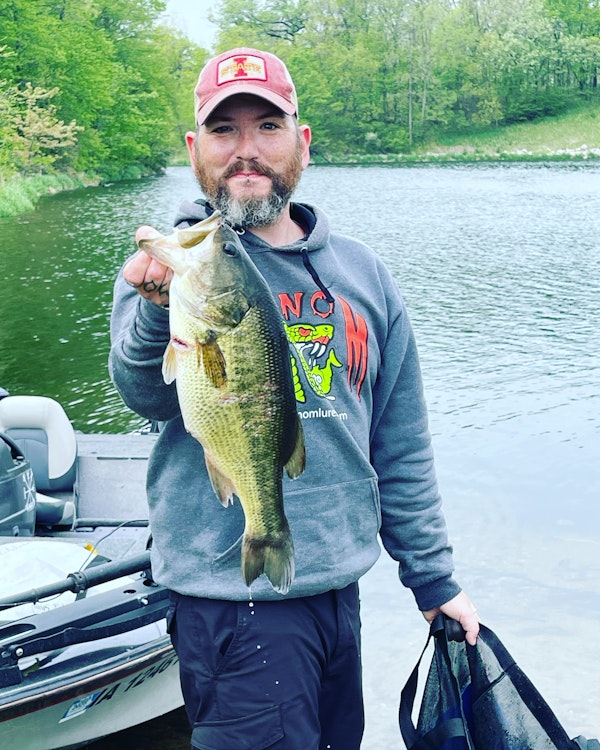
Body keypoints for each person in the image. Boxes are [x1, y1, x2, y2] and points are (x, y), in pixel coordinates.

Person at [109, 47, 479, 750]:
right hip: (230, 599)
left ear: (302, 142)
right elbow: (144, 397)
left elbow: (400, 443)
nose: (245, 150)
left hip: (338, 587)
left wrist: (433, 581)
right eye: (224, 130)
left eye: (268, 126)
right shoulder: (166, 265)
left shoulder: (363, 273)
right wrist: (158, 310)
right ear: (194, 149)